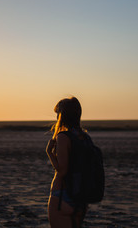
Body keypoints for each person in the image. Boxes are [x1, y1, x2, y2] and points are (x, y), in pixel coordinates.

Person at [46, 97, 88, 228]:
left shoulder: (63, 137)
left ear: (62, 115)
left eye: (58, 113)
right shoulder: (84, 136)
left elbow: (62, 170)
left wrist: (49, 152)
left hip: (62, 197)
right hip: (80, 197)